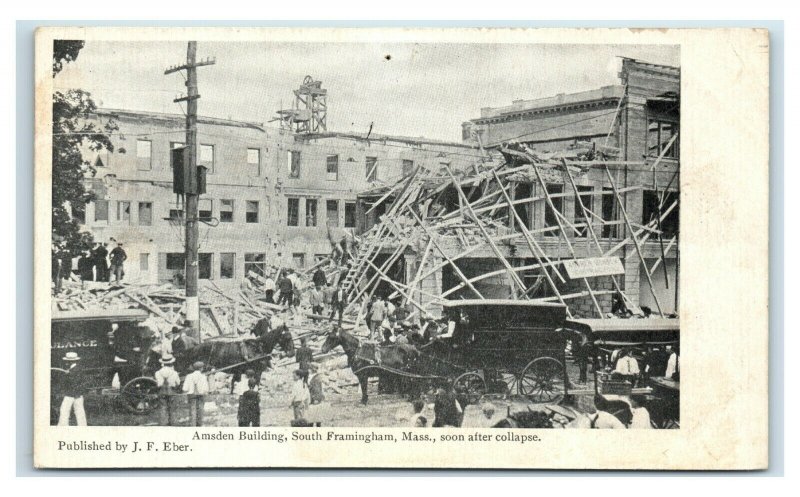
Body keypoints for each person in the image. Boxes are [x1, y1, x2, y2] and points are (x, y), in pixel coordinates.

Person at [58, 352, 87, 426]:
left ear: (70, 361)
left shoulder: (74, 370)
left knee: (64, 411)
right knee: (79, 412)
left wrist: (68, 374)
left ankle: (62, 428)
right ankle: (83, 427)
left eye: (67, 360)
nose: (66, 362)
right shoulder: (75, 369)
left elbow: (75, 382)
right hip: (78, 394)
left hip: (71, 394)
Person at [154, 354, 180, 426]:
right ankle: (173, 423)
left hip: (162, 391)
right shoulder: (174, 373)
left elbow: (158, 383)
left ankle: (163, 423)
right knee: (173, 409)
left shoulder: (157, 373)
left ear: (163, 363)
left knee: (162, 408)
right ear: (171, 363)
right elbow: (178, 383)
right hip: (172, 391)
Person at [183, 361, 209, 427]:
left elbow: (185, 388)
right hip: (201, 395)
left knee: (192, 411)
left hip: (191, 395)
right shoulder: (203, 377)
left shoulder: (189, 376)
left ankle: (192, 426)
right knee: (200, 411)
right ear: (201, 368)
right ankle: (199, 426)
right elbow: (206, 389)